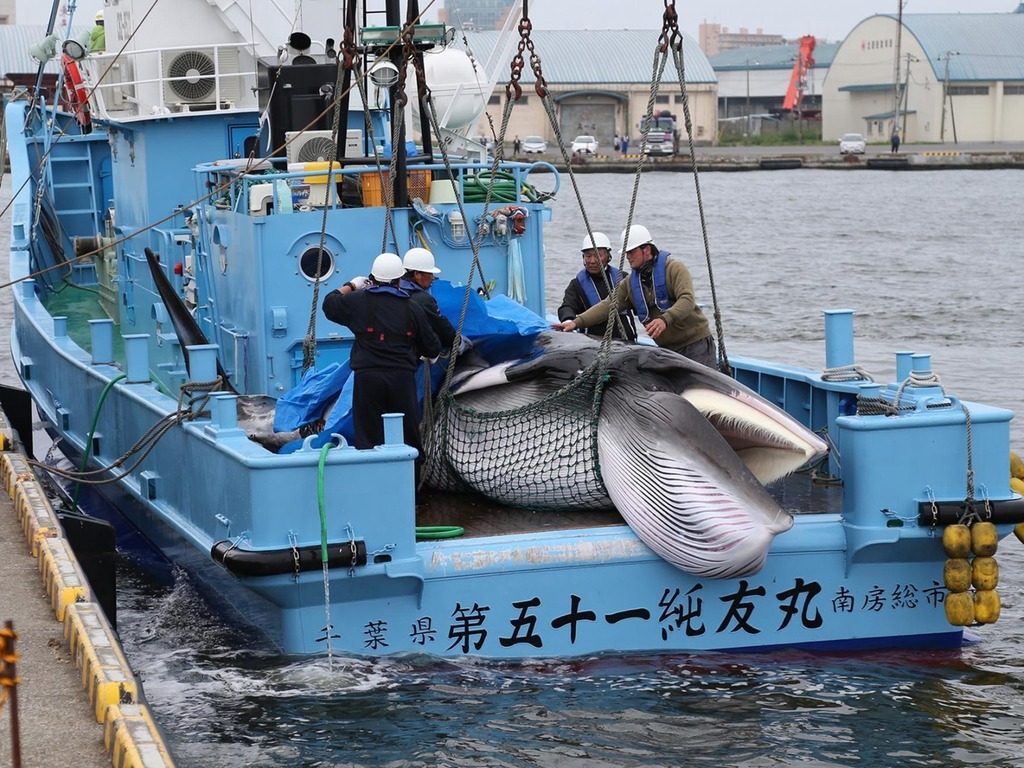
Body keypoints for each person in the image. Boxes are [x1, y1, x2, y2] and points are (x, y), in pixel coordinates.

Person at [322, 253, 441, 470]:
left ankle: (372, 483)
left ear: (372, 278)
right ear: (399, 280)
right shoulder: (412, 307)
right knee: (408, 434)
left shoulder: (356, 301)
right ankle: (411, 490)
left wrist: (351, 285)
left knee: (368, 434)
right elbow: (431, 347)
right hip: (401, 379)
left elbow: (329, 304)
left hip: (367, 378)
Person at [554, 225, 716, 368]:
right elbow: (607, 306)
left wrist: (664, 319)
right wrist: (575, 323)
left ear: (646, 250)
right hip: (668, 350)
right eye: (626, 253)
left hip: (697, 345)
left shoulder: (674, 269)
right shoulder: (630, 283)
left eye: (631, 252)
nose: (628, 257)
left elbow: (687, 300)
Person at [557, 232, 636, 342]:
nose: (592, 261)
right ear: (583, 257)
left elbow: (640, 304)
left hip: (626, 342)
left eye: (598, 255)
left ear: (608, 257)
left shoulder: (623, 278)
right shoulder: (577, 284)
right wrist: (568, 320)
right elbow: (567, 307)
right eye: (588, 256)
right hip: (593, 344)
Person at [400, 247, 458, 352]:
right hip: (410, 359)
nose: (433, 277)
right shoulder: (423, 300)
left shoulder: (395, 291)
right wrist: (458, 342)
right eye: (430, 273)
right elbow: (441, 326)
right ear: (417, 274)